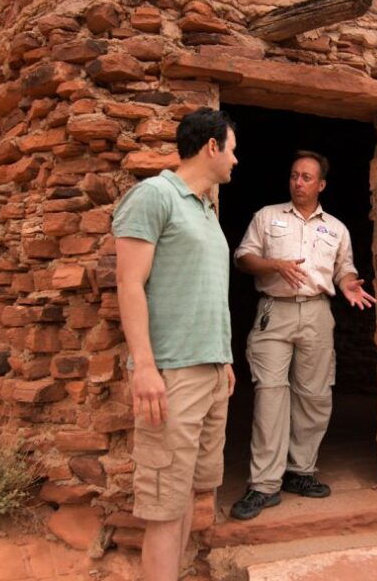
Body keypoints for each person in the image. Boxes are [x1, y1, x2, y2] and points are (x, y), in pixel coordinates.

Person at [113, 107, 238, 581]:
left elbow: (206, 289)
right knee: (164, 505)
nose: (236, 161)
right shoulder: (154, 196)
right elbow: (129, 284)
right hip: (171, 372)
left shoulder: (205, 208)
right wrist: (144, 367)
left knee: (187, 492)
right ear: (212, 146)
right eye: (233, 149)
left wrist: (222, 358)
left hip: (209, 371)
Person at [229, 150, 376, 520]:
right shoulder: (267, 216)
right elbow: (243, 258)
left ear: (321, 184)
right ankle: (264, 485)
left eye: (307, 177)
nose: (298, 182)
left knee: (314, 396)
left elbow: (344, 269)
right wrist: (273, 264)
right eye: (294, 175)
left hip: (316, 314)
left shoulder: (337, 228)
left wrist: (347, 285)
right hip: (273, 313)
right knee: (270, 397)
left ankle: (300, 471)